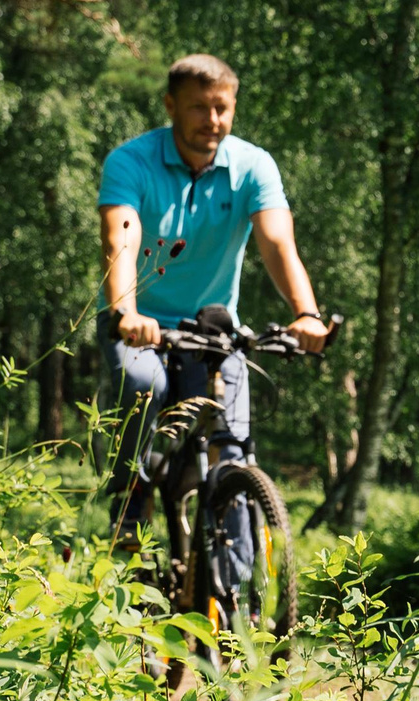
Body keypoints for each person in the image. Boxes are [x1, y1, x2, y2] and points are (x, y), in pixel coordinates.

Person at [97, 54, 333, 544]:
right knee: (143, 381)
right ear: (170, 106)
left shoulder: (252, 165)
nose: (213, 120)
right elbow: (120, 240)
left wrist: (305, 314)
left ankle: (238, 599)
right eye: (199, 108)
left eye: (222, 108)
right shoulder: (131, 161)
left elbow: (277, 243)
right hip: (140, 324)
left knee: (235, 448)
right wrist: (127, 311)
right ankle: (131, 496)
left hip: (212, 330)